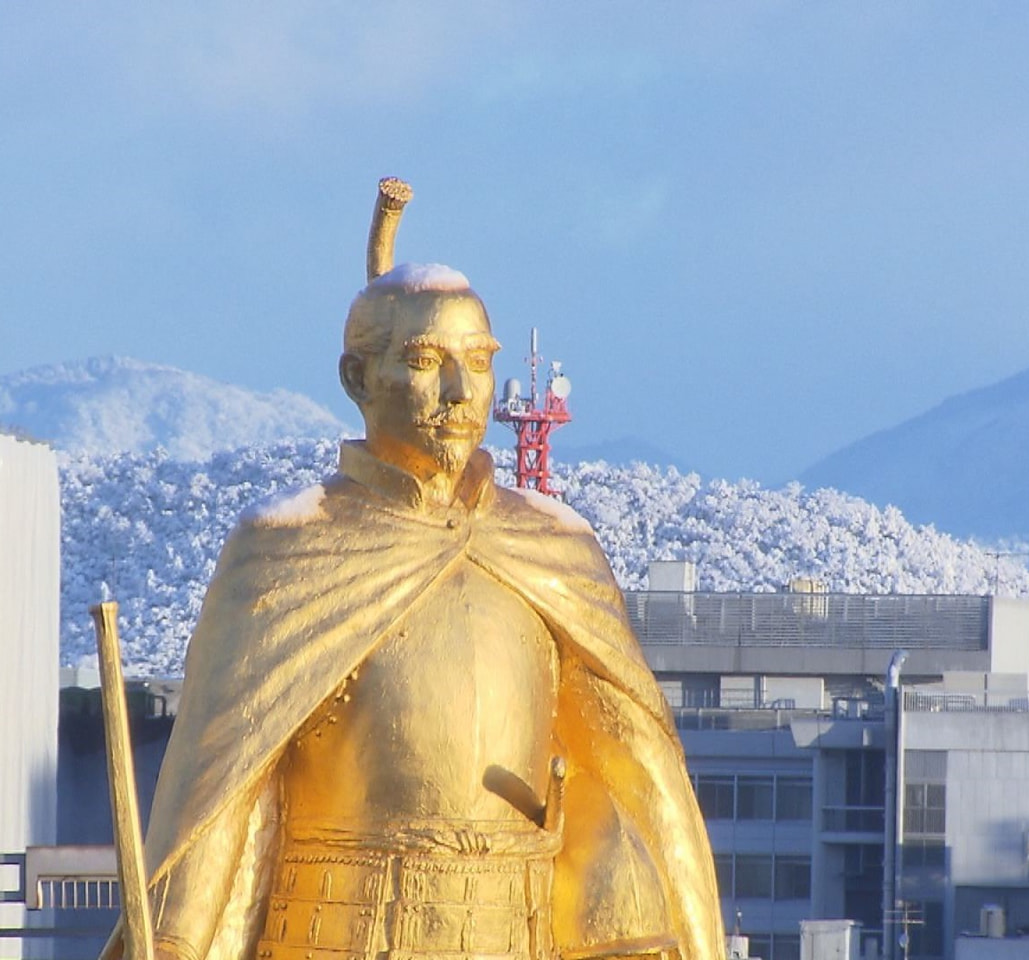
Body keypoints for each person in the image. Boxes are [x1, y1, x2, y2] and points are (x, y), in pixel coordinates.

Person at [102, 183, 723, 960]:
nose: (461, 393)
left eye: (478, 364)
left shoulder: (553, 548)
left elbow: (641, 777)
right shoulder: (287, 550)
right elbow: (222, 801)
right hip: (338, 929)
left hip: (512, 930)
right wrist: (179, 943)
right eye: (427, 363)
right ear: (359, 379)